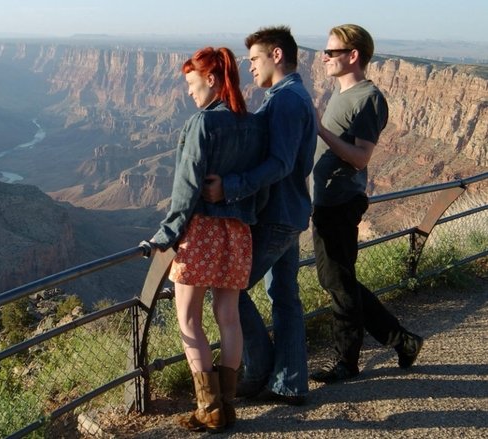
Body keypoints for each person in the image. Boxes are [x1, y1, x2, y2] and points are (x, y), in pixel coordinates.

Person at [147, 46, 267, 433]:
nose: (188, 91)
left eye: (191, 82)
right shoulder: (252, 124)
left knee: (188, 317)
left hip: (200, 231)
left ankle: (209, 408)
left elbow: (186, 187)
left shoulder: (203, 124)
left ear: (211, 79)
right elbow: (260, 183)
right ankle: (228, 405)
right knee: (228, 318)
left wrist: (167, 233)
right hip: (238, 231)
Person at [202, 26, 316, 405]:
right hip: (293, 211)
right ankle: (291, 383)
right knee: (285, 298)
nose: (249, 67)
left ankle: (259, 368)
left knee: (226, 290)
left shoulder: (284, 100)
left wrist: (230, 187)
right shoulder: (296, 95)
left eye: (254, 58)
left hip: (276, 216)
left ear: (277, 55)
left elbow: (281, 163)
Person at [309, 24, 423, 383]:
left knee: (338, 283)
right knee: (339, 280)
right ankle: (402, 341)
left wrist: (320, 129)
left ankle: (347, 361)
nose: (324, 57)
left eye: (331, 52)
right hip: (328, 201)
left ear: (352, 55)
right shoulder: (343, 95)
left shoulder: (368, 98)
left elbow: (360, 157)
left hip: (341, 202)